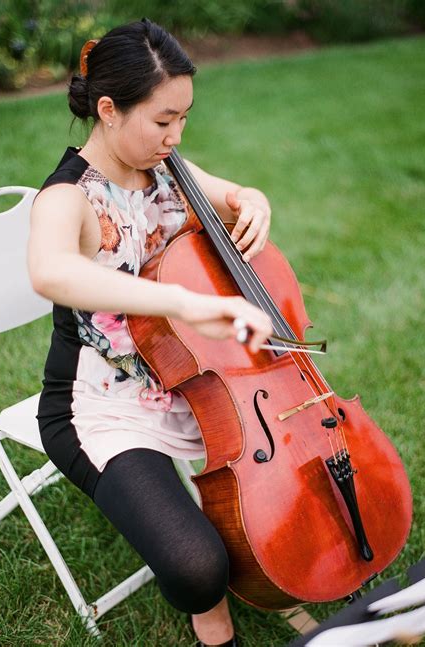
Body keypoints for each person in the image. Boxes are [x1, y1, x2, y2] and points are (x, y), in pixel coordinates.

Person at [28, 18, 273, 647]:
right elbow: (51, 271)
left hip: (197, 384)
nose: (176, 135)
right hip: (103, 410)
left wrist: (253, 197)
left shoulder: (168, 168)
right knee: (199, 568)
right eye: (163, 120)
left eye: (184, 119)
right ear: (108, 110)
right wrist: (180, 302)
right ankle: (211, 618)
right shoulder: (68, 198)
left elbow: (233, 197)